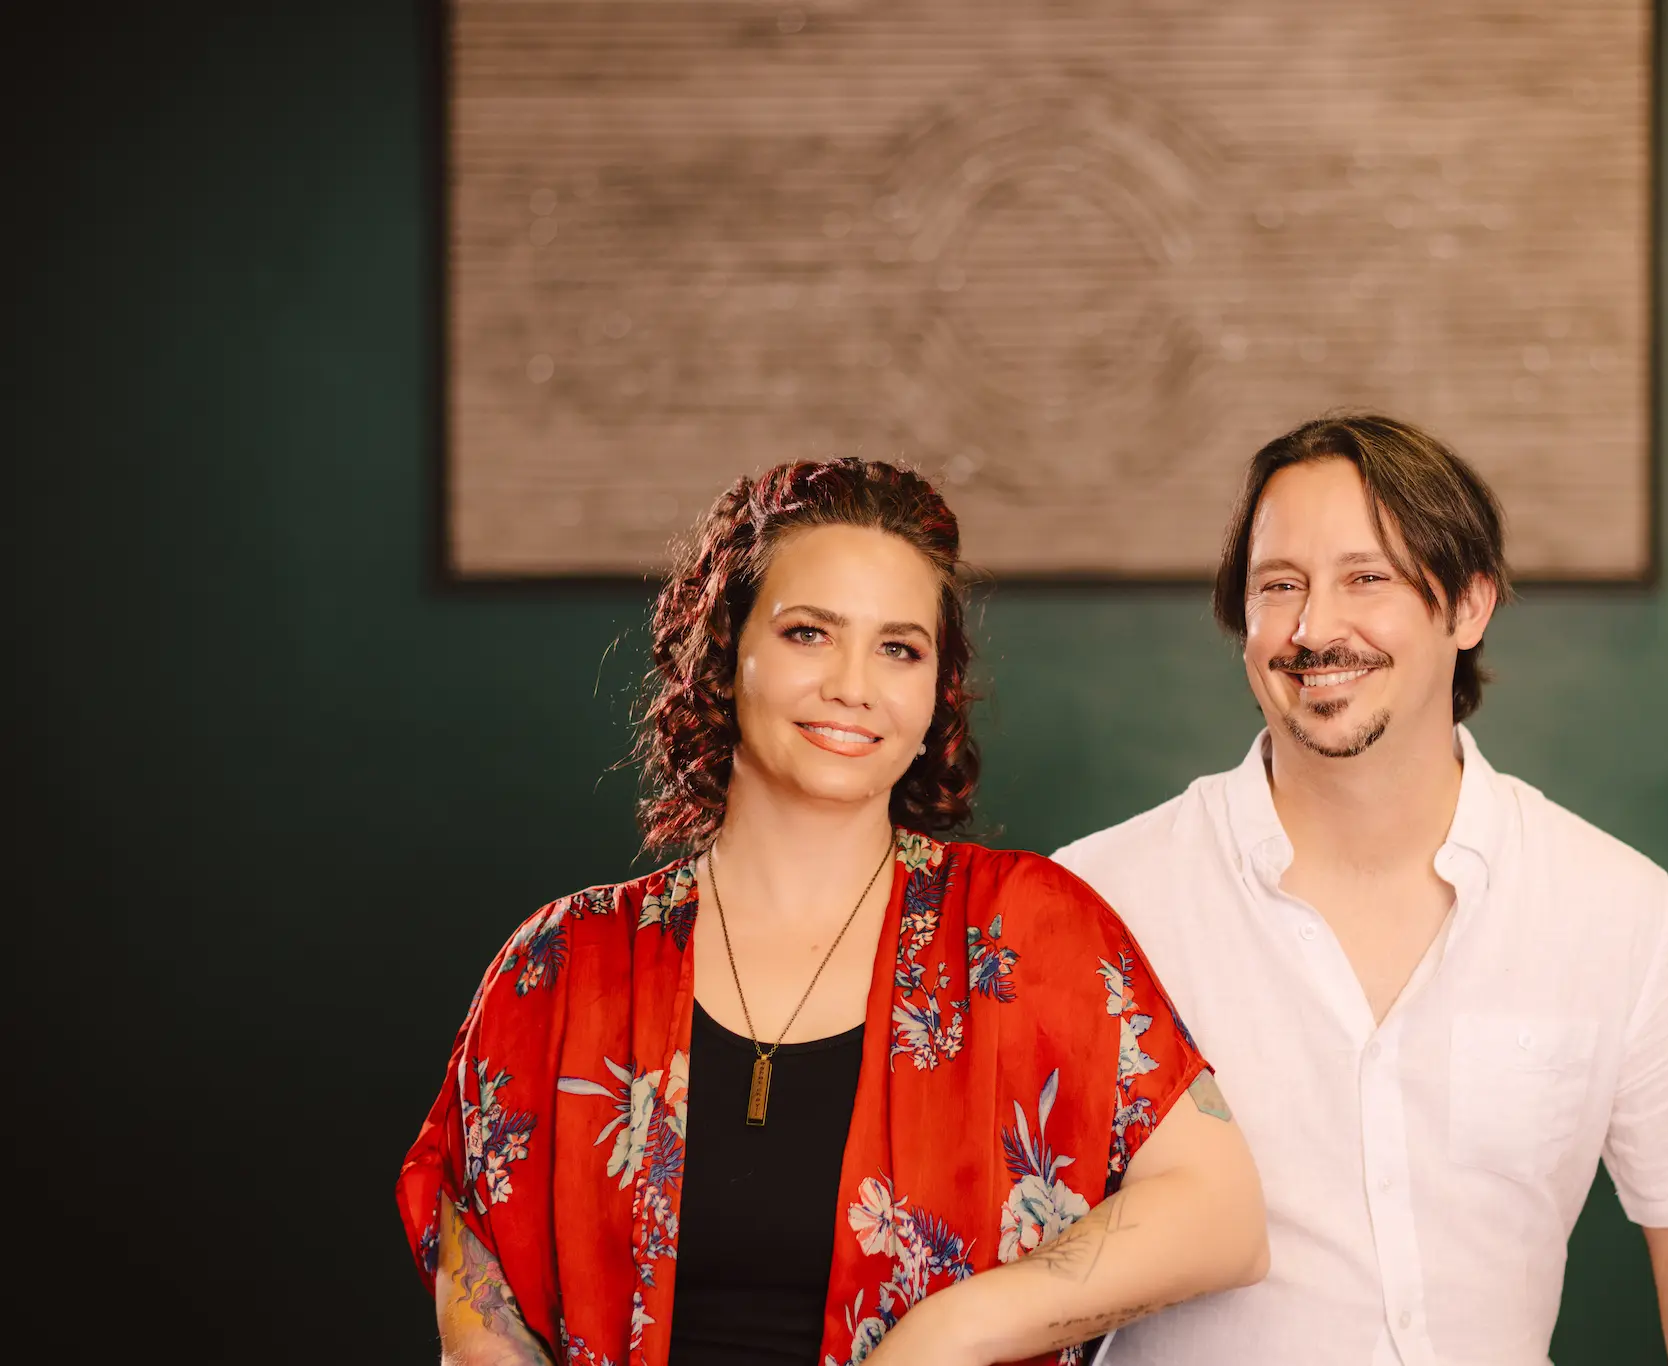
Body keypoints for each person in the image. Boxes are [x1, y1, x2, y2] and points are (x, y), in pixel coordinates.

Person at [397, 459, 1266, 1366]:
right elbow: (479, 1323)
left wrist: (949, 1332)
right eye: (810, 632)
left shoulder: (1025, 929)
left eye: (900, 648)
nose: (855, 685)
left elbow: (1222, 1213)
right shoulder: (562, 964)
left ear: (937, 694)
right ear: (727, 654)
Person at [1055, 415, 1668, 1366]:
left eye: (1368, 577)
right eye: (1280, 586)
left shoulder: (1618, 909)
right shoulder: (1096, 899)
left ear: (1469, 605)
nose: (1314, 629)